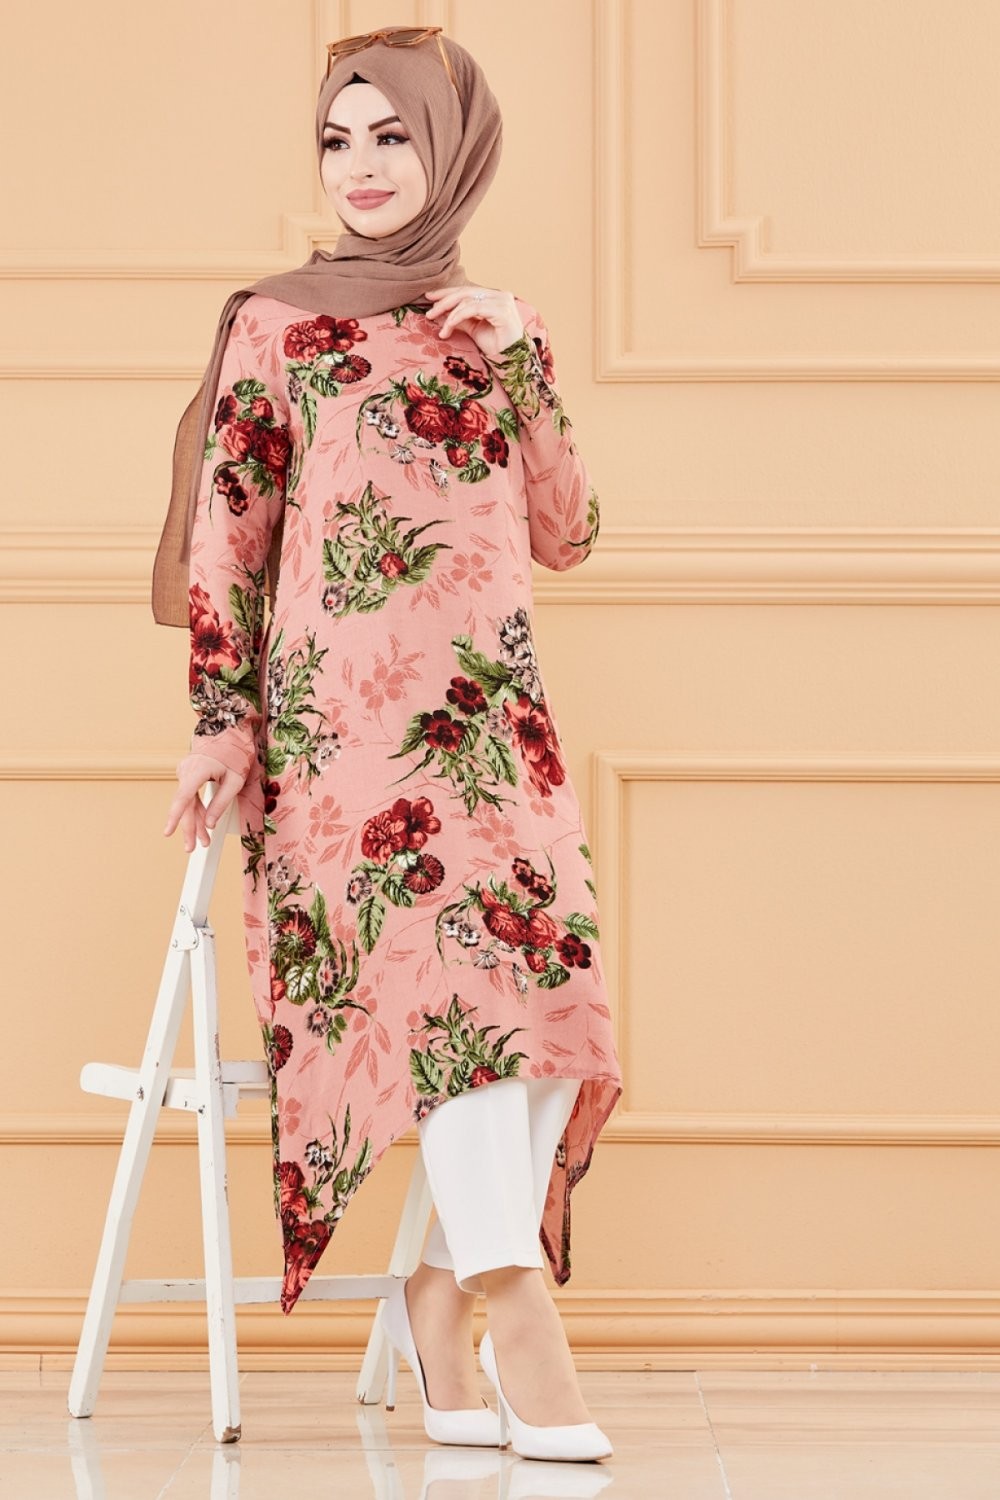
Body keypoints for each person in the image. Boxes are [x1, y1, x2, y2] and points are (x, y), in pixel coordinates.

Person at [156, 27, 621, 1462]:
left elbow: (569, 533)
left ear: (453, 152)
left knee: (553, 988)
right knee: (459, 977)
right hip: (343, 754)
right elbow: (229, 537)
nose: (359, 167)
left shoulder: (496, 327)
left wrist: (523, 365)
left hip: (495, 732)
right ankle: (512, 1305)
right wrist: (219, 723)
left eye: (392, 136)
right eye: (337, 139)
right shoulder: (275, 325)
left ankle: (435, 1291)